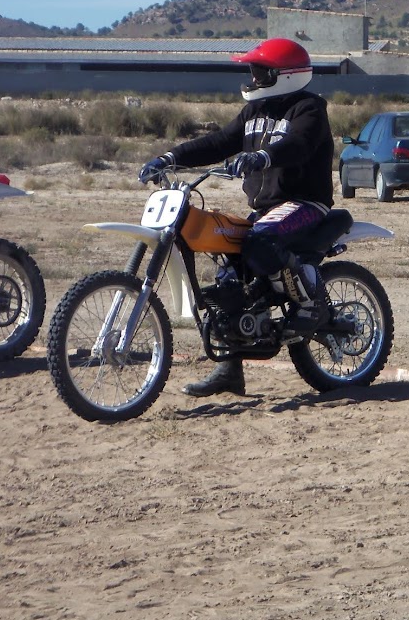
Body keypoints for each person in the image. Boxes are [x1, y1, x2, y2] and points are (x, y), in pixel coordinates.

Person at [138, 37, 335, 398]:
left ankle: (310, 301)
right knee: (227, 277)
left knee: (261, 240)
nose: (253, 77)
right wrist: (169, 157)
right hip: (265, 209)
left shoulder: (309, 108)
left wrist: (264, 157)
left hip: (306, 203)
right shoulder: (253, 112)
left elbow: (300, 144)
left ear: (284, 75)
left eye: (261, 71)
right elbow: (218, 141)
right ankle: (229, 370)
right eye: (253, 70)